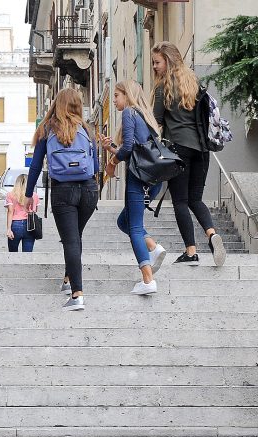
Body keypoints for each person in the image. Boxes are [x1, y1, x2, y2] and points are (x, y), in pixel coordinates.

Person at [151, 41, 226, 267]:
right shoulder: (194, 82)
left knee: (181, 201)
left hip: (178, 149)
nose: (154, 66)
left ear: (168, 61)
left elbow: (157, 121)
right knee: (196, 199)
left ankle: (191, 250)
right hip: (202, 150)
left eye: (157, 62)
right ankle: (212, 235)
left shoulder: (163, 87)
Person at [26, 88, 99, 311]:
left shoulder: (46, 129)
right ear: (77, 105)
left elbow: (36, 165)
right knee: (75, 237)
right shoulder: (87, 129)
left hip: (62, 191)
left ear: (56, 104)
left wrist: (29, 194)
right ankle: (69, 280)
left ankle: (77, 294)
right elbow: (95, 165)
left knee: (70, 240)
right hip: (88, 190)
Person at [100, 79, 167, 294]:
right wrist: (111, 148)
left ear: (127, 95)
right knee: (124, 221)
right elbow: (136, 148)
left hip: (137, 179)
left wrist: (111, 164)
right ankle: (154, 248)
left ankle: (148, 280)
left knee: (135, 227)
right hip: (153, 178)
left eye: (117, 96)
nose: (115, 100)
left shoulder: (129, 113)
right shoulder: (146, 117)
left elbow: (129, 149)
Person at [5, 174, 38, 252]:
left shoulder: (10, 195)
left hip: (15, 224)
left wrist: (9, 229)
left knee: (12, 253)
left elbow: (10, 211)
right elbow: (35, 210)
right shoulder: (34, 195)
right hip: (30, 226)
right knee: (27, 254)